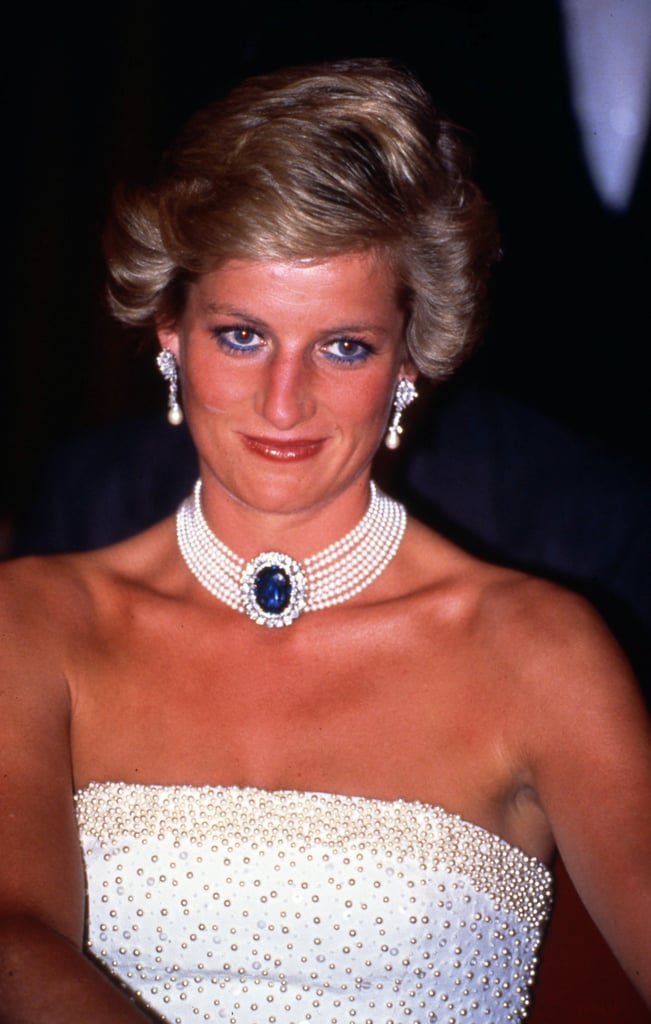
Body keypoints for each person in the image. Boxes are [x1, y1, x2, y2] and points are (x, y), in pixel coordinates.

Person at [0, 59, 649, 1024]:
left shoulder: (539, 651)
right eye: (242, 335)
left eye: (342, 345)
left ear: (409, 360)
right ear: (169, 333)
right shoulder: (33, 623)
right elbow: (16, 938)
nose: (283, 400)